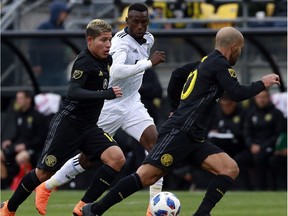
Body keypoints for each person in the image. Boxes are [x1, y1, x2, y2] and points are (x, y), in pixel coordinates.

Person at [81, 26, 281, 216]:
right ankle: (95, 210)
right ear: (234, 47)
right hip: (180, 132)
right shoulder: (220, 64)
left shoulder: (206, 61)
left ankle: (202, 213)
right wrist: (263, 83)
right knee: (146, 176)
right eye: (241, 49)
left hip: (194, 137)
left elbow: (177, 75)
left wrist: (174, 108)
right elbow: (236, 93)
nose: (240, 53)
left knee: (229, 168)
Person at [34, 3, 166, 216]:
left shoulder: (149, 39)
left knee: (157, 147)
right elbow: (117, 71)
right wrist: (148, 64)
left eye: (144, 21)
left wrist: (145, 65)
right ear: (127, 22)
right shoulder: (119, 44)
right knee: (89, 159)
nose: (140, 26)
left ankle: (154, 206)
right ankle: (47, 186)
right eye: (135, 21)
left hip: (132, 103)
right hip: (109, 105)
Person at [0, 18, 124, 216]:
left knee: (116, 158)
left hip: (89, 127)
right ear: (89, 41)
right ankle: (8, 208)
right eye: (103, 40)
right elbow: (73, 92)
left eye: (110, 40)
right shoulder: (84, 61)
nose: (108, 44)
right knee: (43, 173)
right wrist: (105, 93)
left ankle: (83, 207)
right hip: (68, 125)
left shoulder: (106, 59)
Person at [234, 90, 285, 190]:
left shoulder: (276, 113)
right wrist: (251, 145)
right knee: (239, 160)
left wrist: (262, 146)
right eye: (259, 97)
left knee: (260, 158)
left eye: (264, 97)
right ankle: (246, 189)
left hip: (269, 147)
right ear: (255, 99)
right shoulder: (250, 113)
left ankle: (261, 188)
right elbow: (247, 133)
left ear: (269, 98)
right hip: (253, 147)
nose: (261, 100)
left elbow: (278, 135)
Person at [0, 90, 48, 190]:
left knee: (21, 158)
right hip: (17, 147)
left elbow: (42, 138)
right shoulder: (17, 115)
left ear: (28, 100)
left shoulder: (38, 117)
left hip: (32, 149)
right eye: (17, 98)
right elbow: (16, 134)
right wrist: (8, 140)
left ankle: (30, 185)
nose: (18, 101)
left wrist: (25, 146)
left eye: (21, 98)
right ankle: (4, 185)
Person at [29, 0, 73, 86]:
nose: (66, 15)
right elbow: (33, 46)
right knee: (44, 90)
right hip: (45, 68)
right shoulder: (44, 27)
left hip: (59, 67)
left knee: (63, 90)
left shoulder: (62, 28)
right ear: (57, 13)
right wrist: (36, 63)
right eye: (63, 12)